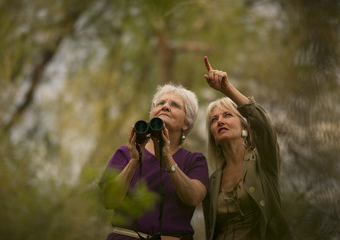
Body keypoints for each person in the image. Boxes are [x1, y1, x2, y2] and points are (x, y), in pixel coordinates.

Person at [99, 83, 209, 240]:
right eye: (161, 103)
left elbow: (193, 197)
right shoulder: (125, 153)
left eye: (174, 105)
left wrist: (167, 159)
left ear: (187, 123)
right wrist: (134, 162)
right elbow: (108, 201)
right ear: (152, 115)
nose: (165, 107)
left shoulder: (194, 160)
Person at [202, 56, 295, 240]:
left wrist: (227, 89)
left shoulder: (264, 161)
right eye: (214, 119)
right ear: (213, 135)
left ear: (244, 126)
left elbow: (264, 126)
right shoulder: (212, 182)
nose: (220, 120)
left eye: (227, 115)